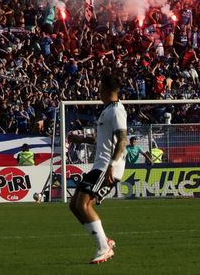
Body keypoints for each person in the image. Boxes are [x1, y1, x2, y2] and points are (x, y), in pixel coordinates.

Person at [68, 72, 126, 266]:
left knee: (83, 204)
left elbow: (123, 140)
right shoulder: (107, 110)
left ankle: (104, 247)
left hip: (106, 167)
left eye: (99, 87)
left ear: (105, 89)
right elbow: (103, 140)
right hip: (99, 165)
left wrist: (112, 165)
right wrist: (81, 139)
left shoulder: (117, 110)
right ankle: (105, 241)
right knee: (75, 205)